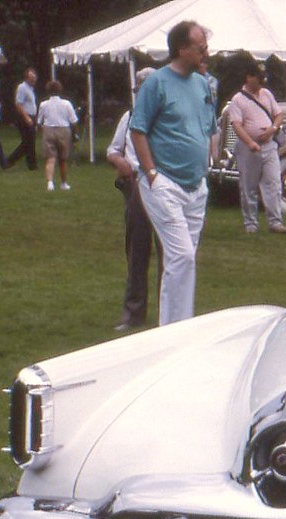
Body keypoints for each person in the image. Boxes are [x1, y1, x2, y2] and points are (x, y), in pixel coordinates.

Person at [130, 20, 217, 326]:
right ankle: (173, 330)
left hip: (196, 186)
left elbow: (209, 128)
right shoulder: (157, 83)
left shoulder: (202, 83)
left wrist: (208, 164)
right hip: (164, 183)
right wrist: (152, 174)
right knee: (182, 257)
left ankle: (179, 328)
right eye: (201, 48)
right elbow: (137, 130)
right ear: (182, 49)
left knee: (183, 262)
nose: (206, 53)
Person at [108, 67, 160, 332]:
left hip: (163, 185)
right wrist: (121, 162)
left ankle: (169, 314)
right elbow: (113, 150)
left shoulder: (166, 117)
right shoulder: (129, 117)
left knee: (170, 253)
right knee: (137, 251)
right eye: (141, 89)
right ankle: (133, 314)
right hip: (136, 184)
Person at [228, 60, 286, 234]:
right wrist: (250, 142)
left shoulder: (267, 94)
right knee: (248, 186)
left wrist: (272, 129)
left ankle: (275, 221)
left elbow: (278, 115)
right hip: (248, 149)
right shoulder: (237, 100)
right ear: (249, 77)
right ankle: (251, 223)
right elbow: (237, 125)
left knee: (274, 183)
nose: (261, 82)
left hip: (269, 145)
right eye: (258, 78)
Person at [36, 80, 78, 191]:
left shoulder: (43, 104)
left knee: (50, 158)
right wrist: (75, 134)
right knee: (63, 159)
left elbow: (39, 121)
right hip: (64, 130)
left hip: (48, 129)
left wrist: (42, 132)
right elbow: (73, 121)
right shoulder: (66, 104)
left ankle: (50, 183)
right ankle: (63, 183)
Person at [7, 68, 38, 170]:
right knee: (28, 142)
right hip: (24, 117)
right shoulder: (22, 87)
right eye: (31, 77)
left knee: (29, 142)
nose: (34, 79)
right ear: (27, 78)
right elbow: (18, 104)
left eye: (34, 77)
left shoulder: (31, 89)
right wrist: (26, 117)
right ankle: (9, 161)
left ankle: (31, 165)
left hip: (31, 117)